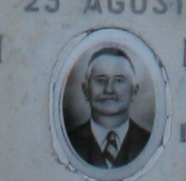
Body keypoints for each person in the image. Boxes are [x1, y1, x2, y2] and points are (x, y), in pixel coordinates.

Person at [62, 44, 153, 172]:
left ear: (134, 91)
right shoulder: (68, 142)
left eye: (119, 80)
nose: (109, 89)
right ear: (86, 90)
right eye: (100, 80)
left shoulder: (150, 142)